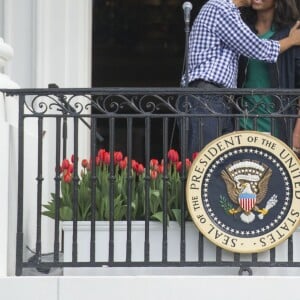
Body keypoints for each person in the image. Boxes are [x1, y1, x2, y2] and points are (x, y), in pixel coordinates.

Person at [183, 0, 300, 159]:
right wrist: (291, 40)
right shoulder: (222, 8)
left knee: (213, 166)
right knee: (204, 164)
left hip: (226, 104)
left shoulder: (233, 14)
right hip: (211, 100)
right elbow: (257, 48)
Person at [237, 0, 300, 155]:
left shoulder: (293, 33)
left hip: (280, 128)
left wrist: (298, 131)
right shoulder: (241, 30)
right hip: (243, 127)